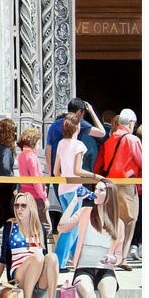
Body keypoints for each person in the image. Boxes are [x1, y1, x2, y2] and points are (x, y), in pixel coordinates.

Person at [58, 182, 125, 298]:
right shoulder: (85, 212)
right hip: (83, 268)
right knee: (89, 294)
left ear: (109, 195)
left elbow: (119, 256)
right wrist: (75, 201)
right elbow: (62, 227)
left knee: (108, 296)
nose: (96, 192)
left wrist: (111, 259)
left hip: (105, 269)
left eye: (101, 190)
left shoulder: (118, 223)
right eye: (96, 189)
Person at [0, 190, 59, 298]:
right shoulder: (10, 226)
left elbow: (45, 256)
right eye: (16, 205)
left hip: (39, 274)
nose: (19, 209)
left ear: (31, 207)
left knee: (52, 257)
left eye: (23, 206)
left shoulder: (40, 228)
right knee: (38, 257)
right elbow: (4, 257)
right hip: (19, 274)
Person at [97, 107, 143, 267]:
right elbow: (142, 162)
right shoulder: (132, 140)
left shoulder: (109, 140)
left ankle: (109, 254)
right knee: (129, 220)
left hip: (110, 185)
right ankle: (121, 257)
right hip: (127, 184)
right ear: (130, 123)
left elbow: (99, 165)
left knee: (113, 220)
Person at [52, 115, 89, 270]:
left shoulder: (61, 143)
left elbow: (56, 171)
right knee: (71, 227)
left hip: (63, 189)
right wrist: (95, 176)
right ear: (77, 127)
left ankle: (78, 258)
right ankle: (59, 261)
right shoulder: (79, 145)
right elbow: (78, 170)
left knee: (73, 225)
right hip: (75, 190)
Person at [0, 117, 19, 245]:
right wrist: (14, 185)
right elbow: (6, 168)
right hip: (6, 188)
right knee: (10, 218)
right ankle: (8, 246)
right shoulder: (6, 149)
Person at [16, 126, 51, 232]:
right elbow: (36, 180)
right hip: (36, 197)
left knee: (29, 226)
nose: (39, 146)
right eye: (38, 143)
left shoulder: (21, 155)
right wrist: (44, 198)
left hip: (25, 195)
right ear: (33, 142)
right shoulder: (32, 156)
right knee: (43, 226)